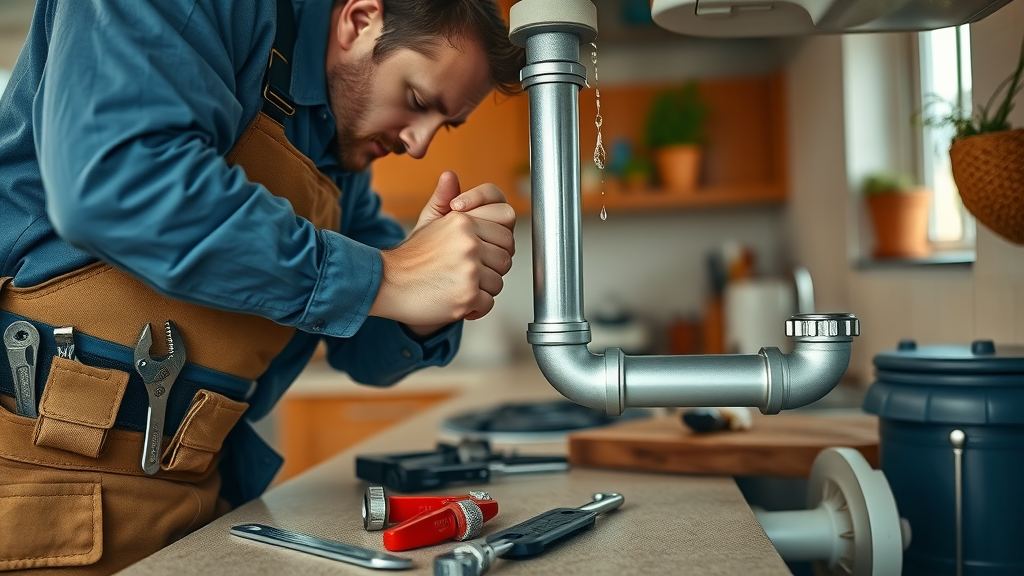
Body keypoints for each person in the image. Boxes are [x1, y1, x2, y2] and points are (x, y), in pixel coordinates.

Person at [0, 0, 524, 572]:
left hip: (192, 514)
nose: (421, 144)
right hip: (34, 502)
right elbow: (118, 181)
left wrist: (426, 299)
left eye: (443, 125)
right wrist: (390, 277)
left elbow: (366, 350)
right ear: (359, 19)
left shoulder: (332, 144)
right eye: (419, 101)